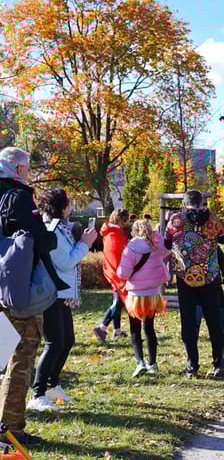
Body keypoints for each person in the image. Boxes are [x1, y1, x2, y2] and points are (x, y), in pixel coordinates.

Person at [0, 147, 64, 447]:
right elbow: (40, 240)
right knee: (21, 357)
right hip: (17, 291)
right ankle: (10, 430)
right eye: (27, 169)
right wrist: (49, 236)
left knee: (1, 356)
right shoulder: (19, 197)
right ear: (20, 170)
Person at [28, 188, 96, 411]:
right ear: (61, 206)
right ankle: (37, 394)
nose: (72, 206)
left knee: (67, 341)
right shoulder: (52, 229)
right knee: (54, 344)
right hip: (52, 294)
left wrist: (82, 242)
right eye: (69, 202)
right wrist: (85, 243)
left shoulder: (61, 227)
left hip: (63, 294)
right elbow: (66, 263)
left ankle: (52, 385)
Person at [165, 189, 224, 379]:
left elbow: (167, 243)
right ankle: (218, 364)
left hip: (185, 277)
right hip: (210, 276)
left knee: (189, 323)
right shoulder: (212, 218)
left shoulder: (175, 220)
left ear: (185, 204)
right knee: (214, 322)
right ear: (201, 203)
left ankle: (192, 365)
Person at [117, 219, 170, 377]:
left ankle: (140, 362)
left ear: (134, 231)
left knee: (135, 329)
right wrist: (156, 235)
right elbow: (167, 250)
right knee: (149, 329)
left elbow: (123, 274)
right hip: (152, 294)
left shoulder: (130, 249)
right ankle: (153, 363)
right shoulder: (156, 246)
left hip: (135, 295)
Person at [93, 209, 130, 341]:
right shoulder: (116, 234)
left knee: (117, 300)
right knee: (118, 302)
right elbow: (119, 256)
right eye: (126, 220)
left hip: (111, 271)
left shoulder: (109, 232)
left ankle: (117, 330)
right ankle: (101, 328)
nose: (127, 223)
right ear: (122, 220)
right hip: (117, 273)